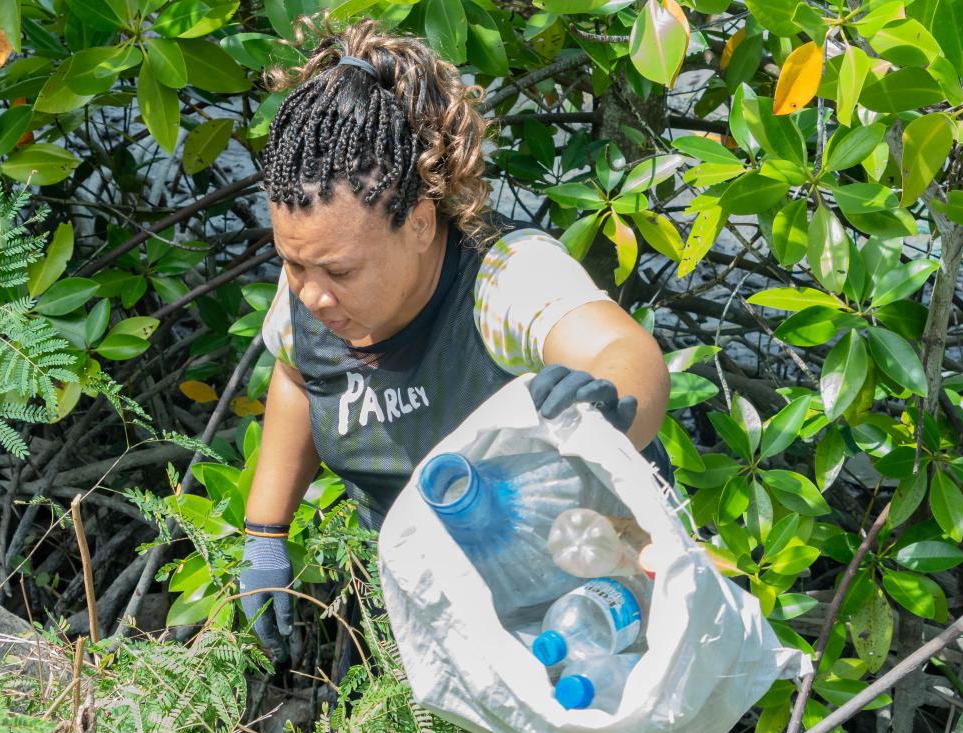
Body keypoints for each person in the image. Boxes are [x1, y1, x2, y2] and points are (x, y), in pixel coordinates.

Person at [238, 17, 672, 664]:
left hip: (587, 601)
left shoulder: (503, 277)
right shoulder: (311, 283)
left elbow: (626, 354)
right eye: (293, 263)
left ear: (419, 224)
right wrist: (265, 533)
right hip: (436, 606)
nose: (311, 295)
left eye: (340, 272)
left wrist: (605, 408)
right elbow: (300, 378)